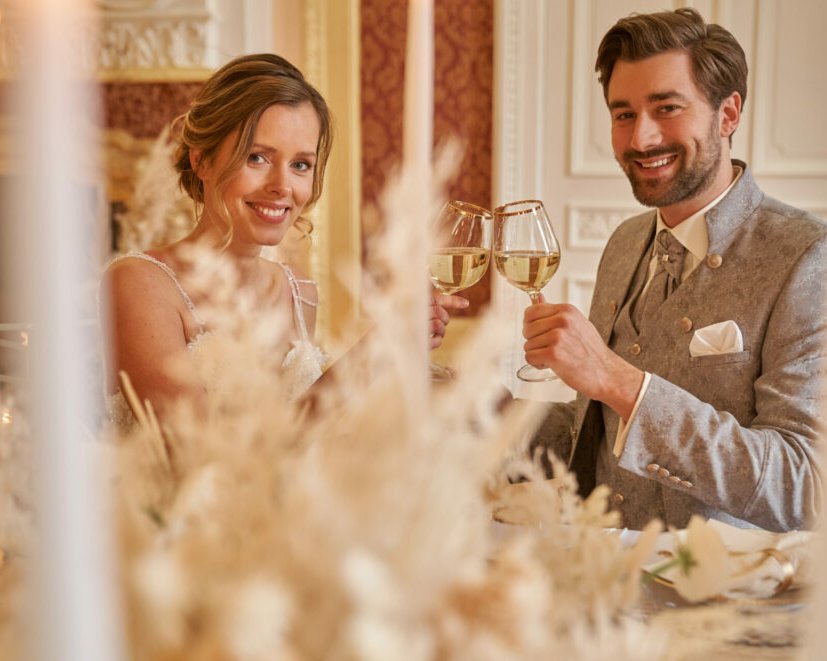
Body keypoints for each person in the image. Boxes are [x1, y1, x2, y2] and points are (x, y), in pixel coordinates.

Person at [523, 8, 825, 532]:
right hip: (599, 567)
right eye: (623, 114)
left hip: (724, 581)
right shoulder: (624, 243)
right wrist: (463, 400)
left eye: (667, 108)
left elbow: (802, 485)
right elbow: (594, 436)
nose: (641, 139)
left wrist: (618, 379)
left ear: (728, 114)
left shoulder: (806, 257)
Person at [101, 53, 463, 425]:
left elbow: (304, 440)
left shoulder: (298, 291)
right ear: (202, 160)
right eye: (257, 158)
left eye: (300, 165)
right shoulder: (139, 283)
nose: (282, 186)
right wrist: (368, 353)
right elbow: (197, 451)